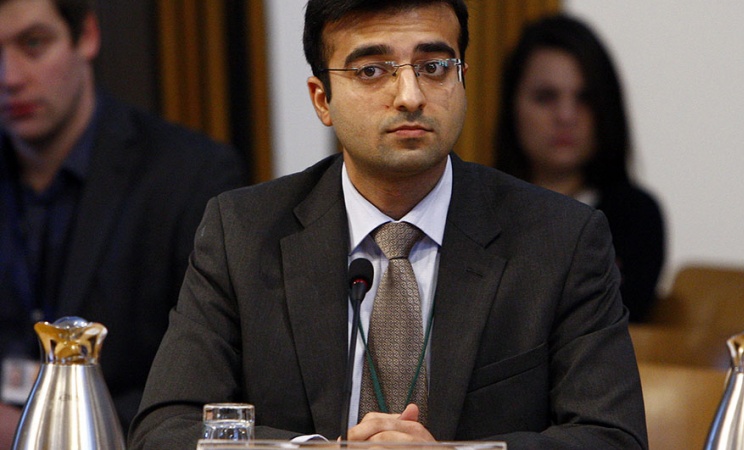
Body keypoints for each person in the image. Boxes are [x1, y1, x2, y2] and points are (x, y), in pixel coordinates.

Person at [129, 1, 648, 448]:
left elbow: (612, 437)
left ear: (462, 78)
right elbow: (165, 429)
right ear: (322, 99)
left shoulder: (561, 239)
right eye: (372, 70)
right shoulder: (242, 233)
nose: (410, 96)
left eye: (434, 66)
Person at [0, 0, 246, 444]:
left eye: (33, 44)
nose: (10, 77)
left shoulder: (190, 175)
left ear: (87, 36)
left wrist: (46, 429)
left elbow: (214, 381)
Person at [494, 14, 665, 323]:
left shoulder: (636, 217)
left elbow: (613, 328)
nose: (566, 115)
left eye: (584, 98)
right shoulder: (472, 209)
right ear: (512, 105)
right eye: (546, 97)